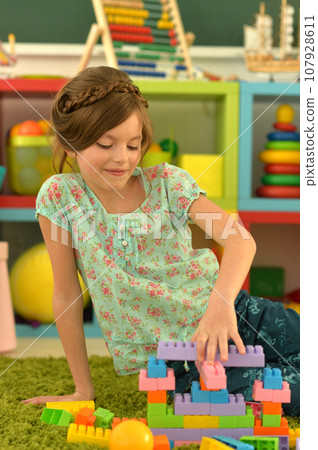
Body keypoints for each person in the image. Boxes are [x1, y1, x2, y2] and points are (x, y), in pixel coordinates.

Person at [22, 66, 300, 415]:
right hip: (187, 359)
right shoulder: (60, 199)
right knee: (293, 393)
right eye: (105, 144)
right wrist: (83, 390)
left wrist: (220, 305)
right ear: (68, 144)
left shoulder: (170, 184)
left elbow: (240, 239)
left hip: (241, 315)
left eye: (133, 145)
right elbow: (66, 293)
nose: (122, 157)